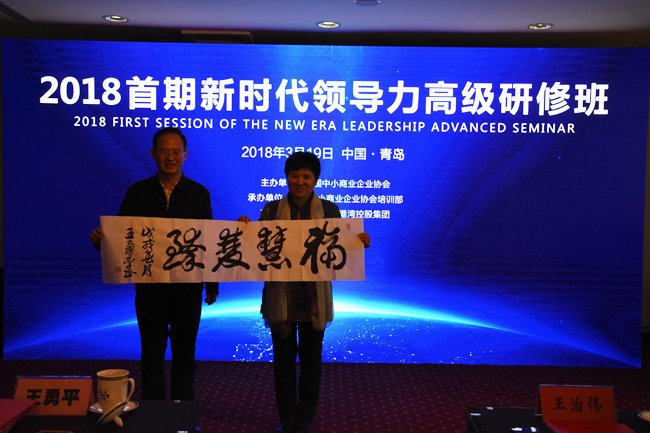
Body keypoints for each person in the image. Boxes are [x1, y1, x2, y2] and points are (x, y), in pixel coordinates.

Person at [239, 152, 371, 433]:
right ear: (287, 177)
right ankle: (286, 419)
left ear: (315, 180)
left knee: (311, 363)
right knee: (283, 364)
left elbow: (338, 249)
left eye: (306, 176)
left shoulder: (330, 210)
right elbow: (257, 251)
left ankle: (305, 419)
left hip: (314, 299)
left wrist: (358, 242)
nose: (300, 181)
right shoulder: (271, 210)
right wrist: (246, 231)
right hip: (282, 297)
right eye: (294, 175)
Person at [89, 127, 218, 402]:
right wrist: (102, 241)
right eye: (164, 151)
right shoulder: (138, 192)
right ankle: (153, 416)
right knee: (151, 356)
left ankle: (183, 415)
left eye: (175, 152)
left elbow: (207, 241)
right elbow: (121, 235)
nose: (170, 157)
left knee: (185, 357)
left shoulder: (199, 193)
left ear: (185, 155)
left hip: (188, 290)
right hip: (150, 291)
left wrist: (212, 285)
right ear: (153, 154)